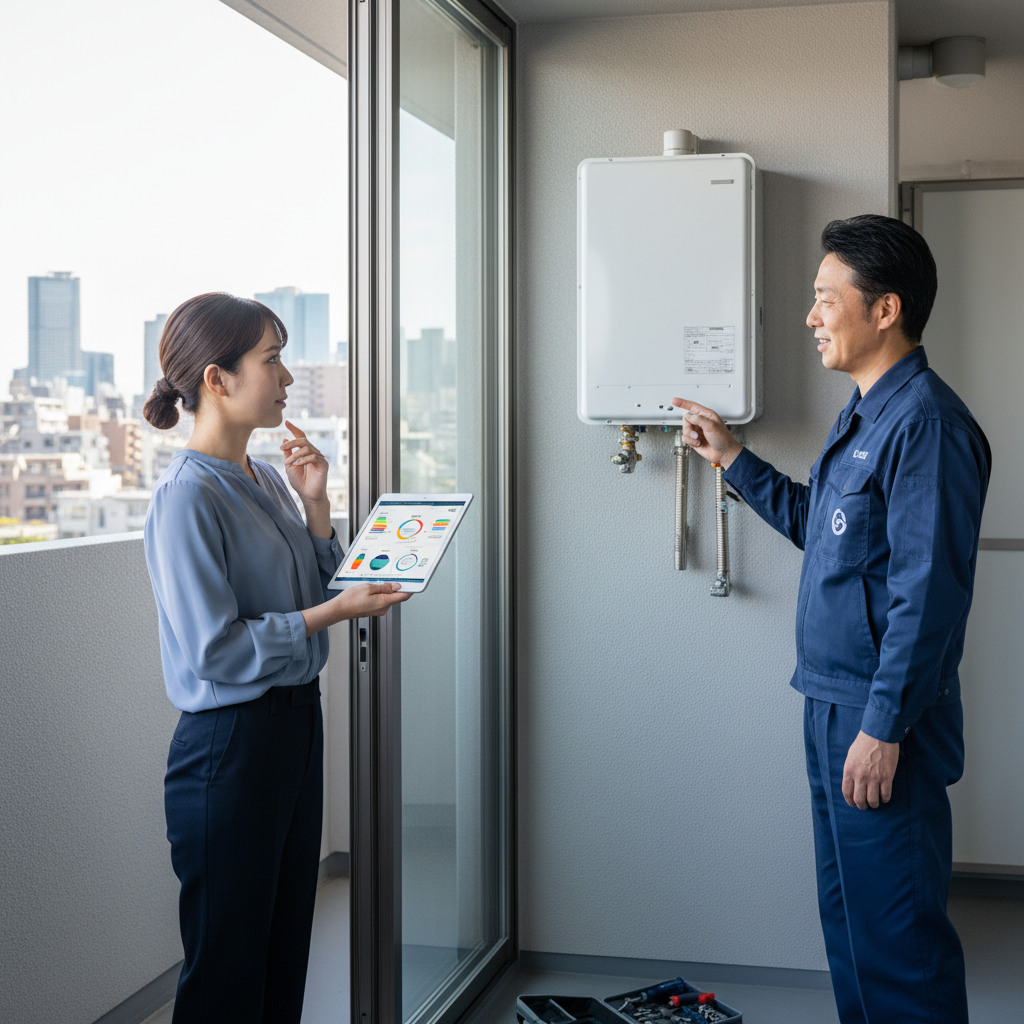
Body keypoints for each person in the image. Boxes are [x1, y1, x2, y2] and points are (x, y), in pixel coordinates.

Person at [673, 215, 991, 1024]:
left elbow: (930, 595)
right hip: (831, 702)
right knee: (850, 928)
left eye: (824, 299)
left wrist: (883, 728)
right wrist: (732, 458)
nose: (812, 316)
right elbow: (828, 528)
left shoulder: (927, 424)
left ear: (884, 310)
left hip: (882, 717)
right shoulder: (867, 416)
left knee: (899, 946)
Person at [142, 292, 408, 1024]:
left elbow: (309, 591)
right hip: (230, 746)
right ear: (216, 379)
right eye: (271, 360)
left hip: (294, 727)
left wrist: (318, 507)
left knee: (286, 946)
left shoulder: (265, 482)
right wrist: (335, 612)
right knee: (228, 966)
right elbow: (217, 649)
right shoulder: (185, 498)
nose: (288, 378)